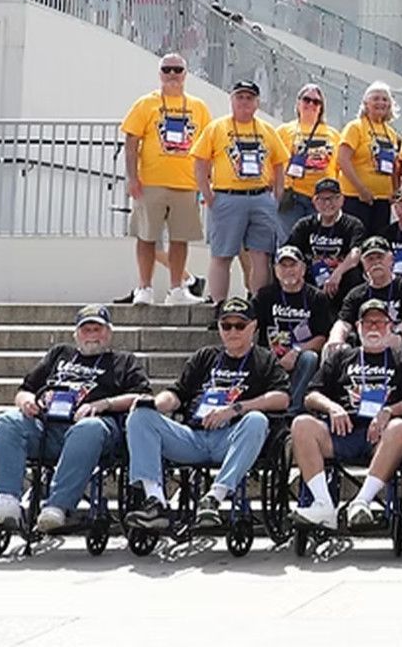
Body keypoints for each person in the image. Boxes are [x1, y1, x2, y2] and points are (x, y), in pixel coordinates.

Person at [0, 305, 152, 532]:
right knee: (8, 421)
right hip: (48, 427)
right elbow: (25, 389)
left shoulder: (123, 361)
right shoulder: (60, 354)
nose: (91, 335)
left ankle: (58, 505)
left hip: (97, 430)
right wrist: (28, 402)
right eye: (86, 330)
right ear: (76, 334)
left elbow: (144, 396)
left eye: (97, 329)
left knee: (89, 428)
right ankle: (6, 501)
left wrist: (103, 404)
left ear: (108, 333)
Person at [123, 298, 288, 531]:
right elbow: (177, 394)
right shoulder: (206, 356)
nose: (232, 331)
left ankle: (214, 496)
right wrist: (153, 403)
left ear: (253, 327)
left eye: (240, 326)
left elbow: (282, 397)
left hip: (231, 439)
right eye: (226, 325)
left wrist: (235, 409)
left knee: (257, 420)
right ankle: (155, 501)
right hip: (193, 437)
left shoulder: (264, 359)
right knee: (139, 416)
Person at [290, 299, 402, 531]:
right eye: (368, 322)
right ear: (358, 326)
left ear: (390, 326)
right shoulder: (341, 358)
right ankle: (323, 504)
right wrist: (332, 408)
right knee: (301, 424)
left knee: (401, 427)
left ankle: (362, 501)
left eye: (380, 322)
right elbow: (311, 395)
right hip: (341, 431)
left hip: (382, 438)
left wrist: (389, 411)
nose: (374, 327)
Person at [120, 53, 211, 305]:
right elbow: (131, 143)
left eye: (177, 69)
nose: (172, 74)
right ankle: (144, 288)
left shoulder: (198, 107)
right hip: (151, 182)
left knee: (180, 238)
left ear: (185, 74)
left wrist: (205, 184)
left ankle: (177, 289)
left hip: (186, 184)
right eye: (167, 69)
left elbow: (207, 148)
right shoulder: (145, 104)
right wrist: (132, 177)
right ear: (160, 73)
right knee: (146, 235)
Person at [192, 80, 290, 304]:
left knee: (261, 255)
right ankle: (218, 304)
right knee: (222, 255)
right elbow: (200, 162)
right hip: (227, 197)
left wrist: (277, 195)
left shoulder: (266, 130)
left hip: (260, 197)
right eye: (240, 97)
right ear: (232, 100)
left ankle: (258, 304)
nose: (244, 102)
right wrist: (207, 194)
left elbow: (278, 164)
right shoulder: (217, 128)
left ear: (257, 102)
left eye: (249, 98)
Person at [253, 246, 332, 412]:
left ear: (303, 269)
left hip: (300, 354)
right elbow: (250, 326)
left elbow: (321, 338)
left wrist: (295, 351)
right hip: (270, 355)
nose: (288, 270)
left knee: (310, 358)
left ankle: (291, 410)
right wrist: (271, 354)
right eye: (283, 266)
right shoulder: (265, 295)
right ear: (275, 270)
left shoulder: (316, 297)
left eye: (293, 265)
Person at [328, 238, 402, 349]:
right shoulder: (356, 294)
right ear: (363, 264)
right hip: (365, 350)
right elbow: (343, 323)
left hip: (399, 347)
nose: (376, 262)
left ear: (391, 259)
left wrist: (397, 335)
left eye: (380, 257)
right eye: (370, 259)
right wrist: (336, 339)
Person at [336, 81, 402, 232]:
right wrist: (361, 189)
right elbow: (343, 159)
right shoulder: (355, 127)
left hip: (382, 199)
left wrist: (394, 190)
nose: (381, 103)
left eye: (385, 99)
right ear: (366, 103)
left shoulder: (390, 132)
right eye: (376, 98)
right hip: (356, 197)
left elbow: (393, 165)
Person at [277, 83, 340, 238]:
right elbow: (273, 162)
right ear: (298, 103)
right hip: (292, 198)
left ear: (321, 107)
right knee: (290, 242)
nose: (311, 104)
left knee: (318, 243)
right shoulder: (284, 131)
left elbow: (340, 166)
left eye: (316, 102)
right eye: (307, 100)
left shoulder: (333, 134)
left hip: (323, 198)